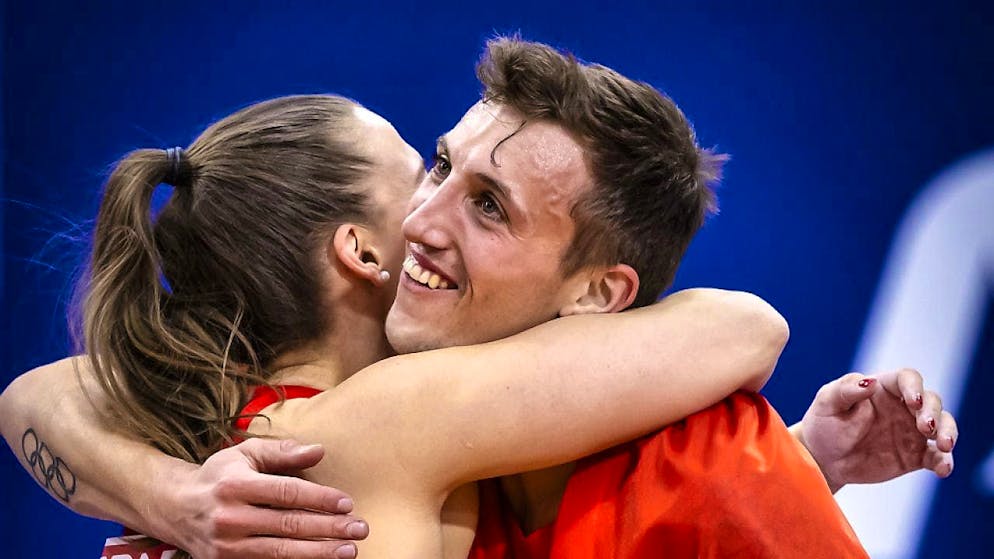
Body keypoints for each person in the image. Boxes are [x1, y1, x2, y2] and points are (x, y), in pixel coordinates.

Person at [0, 38, 956, 558]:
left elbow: (36, 395)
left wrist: (789, 465)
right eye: (437, 168)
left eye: (486, 205)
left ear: (599, 294)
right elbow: (746, 323)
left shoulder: (239, 439)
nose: (426, 217)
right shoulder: (400, 427)